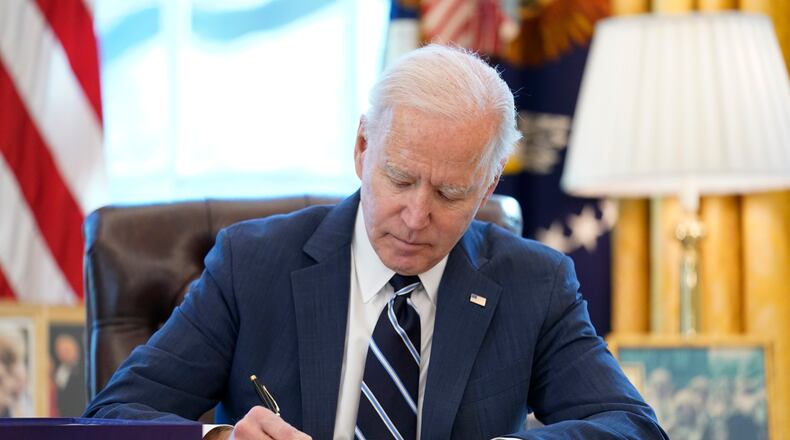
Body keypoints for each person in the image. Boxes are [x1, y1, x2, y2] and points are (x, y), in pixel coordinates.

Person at [83, 44, 667, 439]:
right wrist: (217, 438)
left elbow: (631, 426)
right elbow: (113, 417)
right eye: (401, 178)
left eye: (451, 192)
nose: (416, 217)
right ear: (364, 149)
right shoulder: (250, 264)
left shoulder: (533, 284)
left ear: (488, 183)